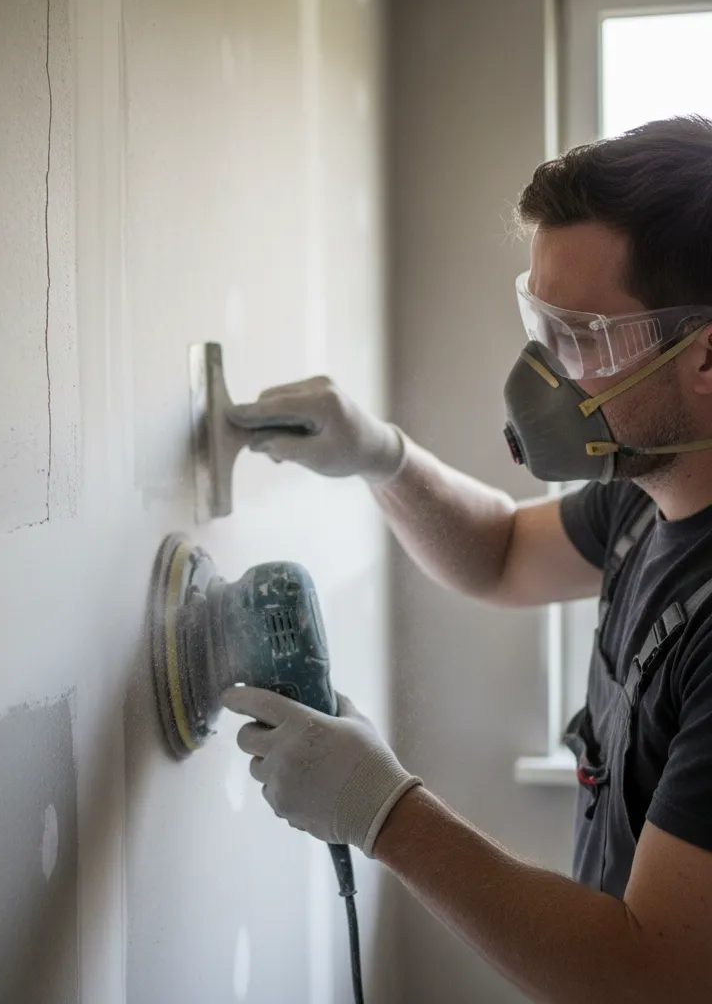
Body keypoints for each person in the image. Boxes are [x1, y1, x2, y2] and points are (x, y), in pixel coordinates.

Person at [223, 116, 712, 1002]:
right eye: (543, 322)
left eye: (585, 337)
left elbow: (655, 977)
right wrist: (385, 459)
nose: (546, 370)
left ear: (707, 355)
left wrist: (385, 813)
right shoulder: (648, 490)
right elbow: (497, 555)